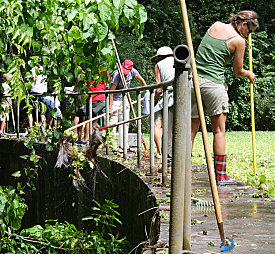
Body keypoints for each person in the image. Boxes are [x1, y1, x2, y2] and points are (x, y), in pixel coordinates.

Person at [191, 10, 259, 185]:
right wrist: (248, 74)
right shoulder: (238, 41)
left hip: (193, 82)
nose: (248, 34)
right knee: (219, 130)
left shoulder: (215, 25)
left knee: (191, 129)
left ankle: (183, 170)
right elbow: (237, 71)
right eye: (249, 30)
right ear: (244, 24)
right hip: (214, 85)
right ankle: (221, 177)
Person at [109, 60, 147, 153]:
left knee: (125, 122)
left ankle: (124, 145)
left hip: (125, 98)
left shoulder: (133, 71)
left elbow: (142, 80)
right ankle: (112, 145)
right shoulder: (117, 74)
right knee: (113, 122)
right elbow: (111, 92)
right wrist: (110, 107)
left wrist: (147, 92)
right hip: (115, 100)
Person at [151, 46, 175, 161]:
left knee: (157, 124)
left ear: (160, 56)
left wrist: (155, 102)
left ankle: (160, 152)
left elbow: (159, 87)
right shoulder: (177, 61)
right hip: (182, 94)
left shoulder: (158, 65)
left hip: (168, 94)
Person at [27, 65, 62, 130]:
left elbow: (28, 81)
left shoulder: (32, 70)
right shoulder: (44, 69)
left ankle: (31, 128)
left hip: (33, 92)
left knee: (30, 111)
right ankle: (43, 129)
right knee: (42, 112)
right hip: (42, 93)